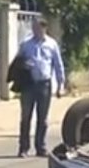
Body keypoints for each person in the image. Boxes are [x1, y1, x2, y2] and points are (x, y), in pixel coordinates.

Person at [16, 18, 65, 158]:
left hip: (44, 84)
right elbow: (17, 63)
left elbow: (58, 64)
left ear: (44, 28)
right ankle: (23, 148)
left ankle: (41, 147)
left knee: (42, 118)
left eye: (38, 28)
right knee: (26, 117)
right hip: (28, 85)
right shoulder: (26, 44)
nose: (35, 30)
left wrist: (60, 85)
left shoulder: (51, 44)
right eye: (34, 28)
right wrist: (23, 67)